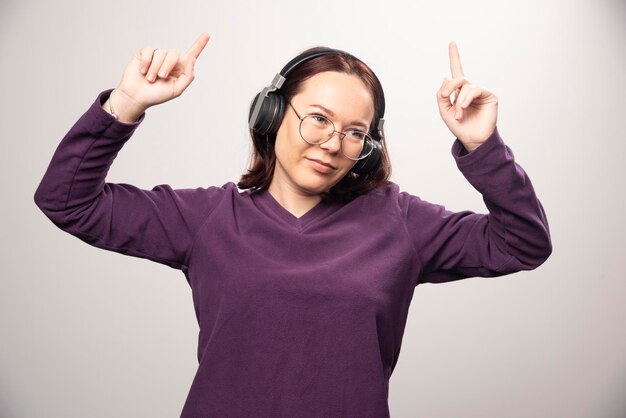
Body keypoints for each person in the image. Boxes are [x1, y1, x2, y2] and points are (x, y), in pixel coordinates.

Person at [33, 32, 552, 417]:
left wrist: (483, 146)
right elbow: (66, 200)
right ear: (272, 115)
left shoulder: (401, 223)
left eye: (355, 132)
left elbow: (523, 243)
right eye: (319, 118)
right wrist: (126, 104)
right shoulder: (206, 219)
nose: (332, 143)